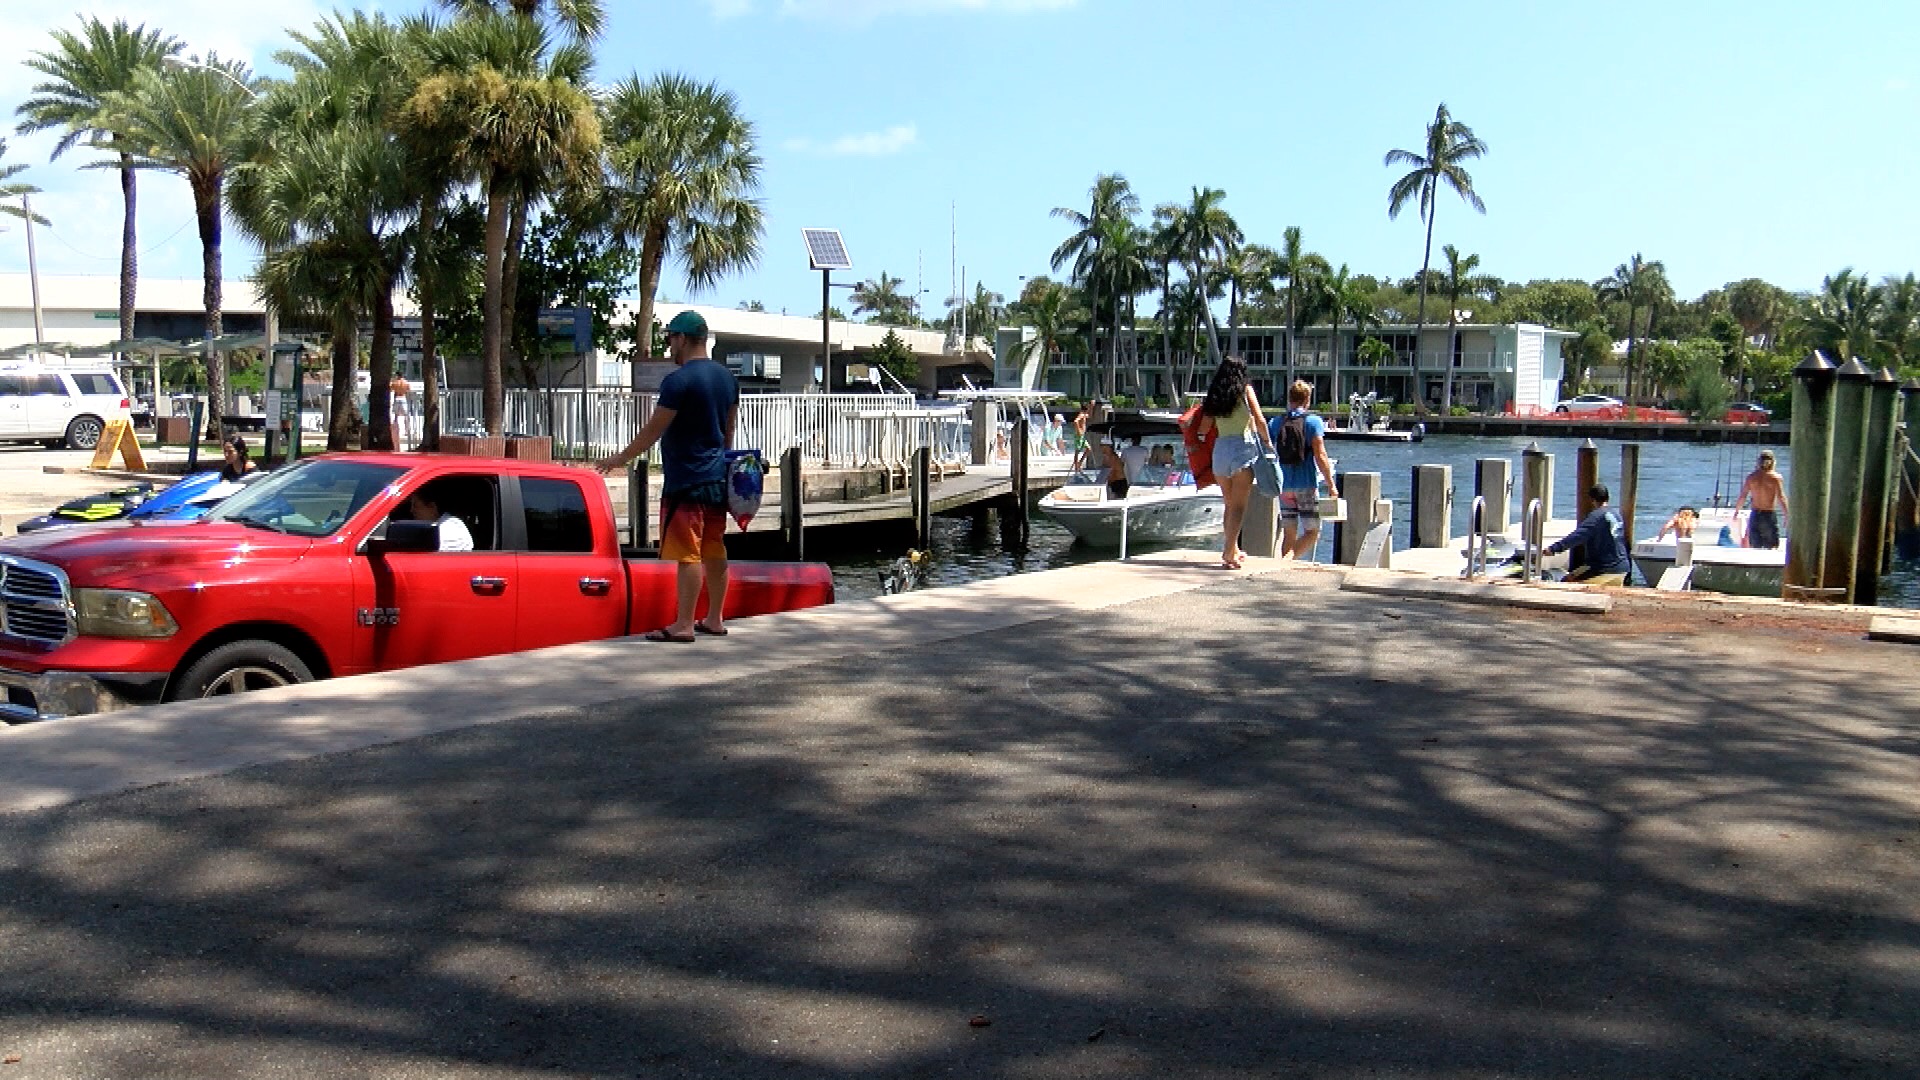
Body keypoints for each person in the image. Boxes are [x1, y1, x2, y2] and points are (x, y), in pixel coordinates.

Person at [596, 310, 740, 642]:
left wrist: (620, 458)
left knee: (687, 554)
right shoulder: (727, 379)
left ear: (683, 339)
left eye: (671, 339)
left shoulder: (678, 381)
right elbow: (728, 433)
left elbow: (654, 430)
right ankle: (715, 619)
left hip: (686, 480)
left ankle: (684, 624)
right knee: (714, 549)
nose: (670, 346)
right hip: (717, 479)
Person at [1190, 355, 1274, 570]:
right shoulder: (1245, 390)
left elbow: (1204, 428)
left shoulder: (1215, 395)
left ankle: (1233, 548)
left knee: (1229, 504)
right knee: (1238, 506)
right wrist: (1268, 443)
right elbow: (1260, 419)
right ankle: (1228, 552)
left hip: (1220, 451)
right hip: (1242, 448)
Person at [1267, 379, 1339, 561]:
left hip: (1284, 486)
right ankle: (1286, 561)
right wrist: (1331, 485)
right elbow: (1320, 455)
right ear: (1307, 399)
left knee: (1289, 534)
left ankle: (1285, 566)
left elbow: (1267, 450)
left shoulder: (1276, 422)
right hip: (1306, 484)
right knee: (1313, 532)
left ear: (1289, 398)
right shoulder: (1313, 422)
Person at [1545, 483, 1631, 584]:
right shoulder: (1617, 515)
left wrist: (1553, 548)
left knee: (1566, 581)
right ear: (1608, 498)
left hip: (1602, 568)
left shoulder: (1595, 517)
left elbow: (1578, 536)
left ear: (1592, 500)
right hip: (1623, 568)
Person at [1733, 449, 1787, 549]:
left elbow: (1743, 496)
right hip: (1768, 515)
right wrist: (1786, 515)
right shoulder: (1776, 478)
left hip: (1755, 514)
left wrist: (1737, 511)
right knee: (1772, 547)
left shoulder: (1751, 477)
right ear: (1773, 462)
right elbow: (1781, 497)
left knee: (1755, 547)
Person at [407, 481, 475, 552]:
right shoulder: (439, 526)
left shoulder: (450, 529)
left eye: (416, 506)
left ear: (432, 506)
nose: (411, 510)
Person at [1070, 404, 1092, 471]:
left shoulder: (1084, 415)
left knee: (1088, 448)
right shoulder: (1081, 414)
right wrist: (1079, 430)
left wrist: (1092, 406)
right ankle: (1076, 466)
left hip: (1082, 436)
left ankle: (1079, 463)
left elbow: (1090, 415)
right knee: (1077, 451)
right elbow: (1075, 421)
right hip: (1079, 435)